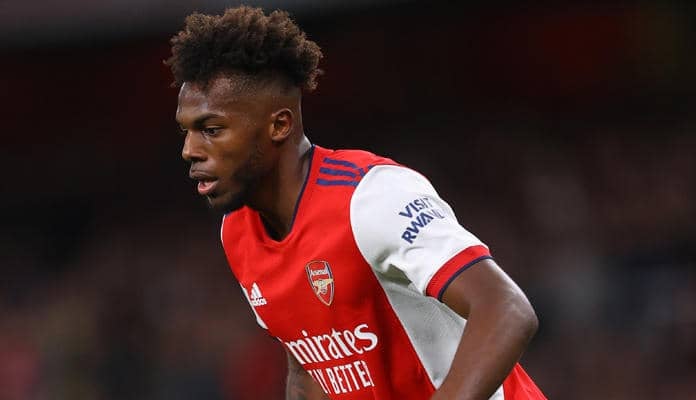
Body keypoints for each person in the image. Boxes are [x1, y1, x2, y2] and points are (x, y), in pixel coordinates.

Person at [167, 6, 547, 400]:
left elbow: (506, 310)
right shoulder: (237, 232)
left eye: (211, 129)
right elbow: (309, 369)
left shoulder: (370, 197)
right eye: (186, 131)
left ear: (279, 125)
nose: (189, 150)